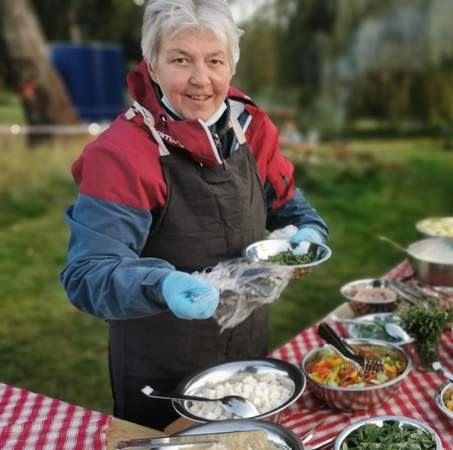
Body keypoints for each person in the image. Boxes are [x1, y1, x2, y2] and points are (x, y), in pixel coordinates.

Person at [60, 0, 328, 430]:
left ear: (232, 67)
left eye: (215, 61)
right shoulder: (122, 154)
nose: (201, 79)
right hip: (162, 370)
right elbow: (88, 272)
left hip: (247, 350)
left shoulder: (251, 127)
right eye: (181, 59)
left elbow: (287, 203)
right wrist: (162, 284)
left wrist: (309, 232)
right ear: (152, 65)